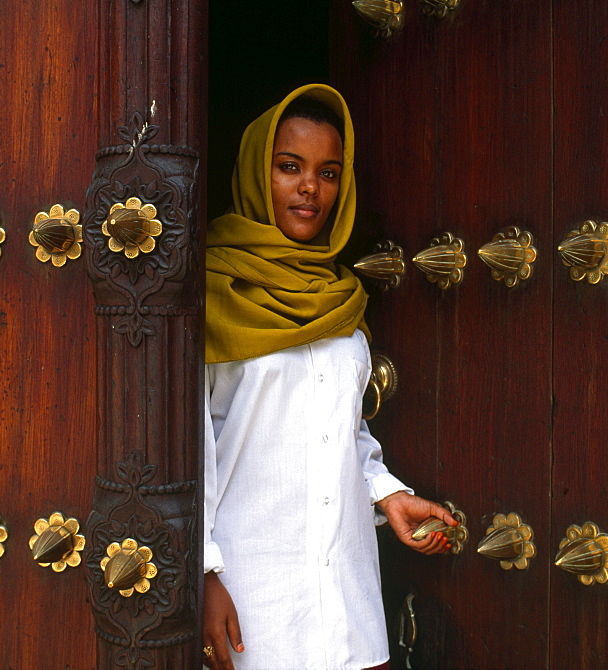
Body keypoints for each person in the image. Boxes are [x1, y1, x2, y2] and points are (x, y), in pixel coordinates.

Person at [202, 83, 458, 670]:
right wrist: (205, 575)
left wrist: (386, 493)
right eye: (289, 167)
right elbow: (192, 453)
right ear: (254, 172)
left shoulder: (343, 300)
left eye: (328, 171)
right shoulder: (214, 294)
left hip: (345, 594)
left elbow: (343, 432)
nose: (310, 188)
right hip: (251, 597)